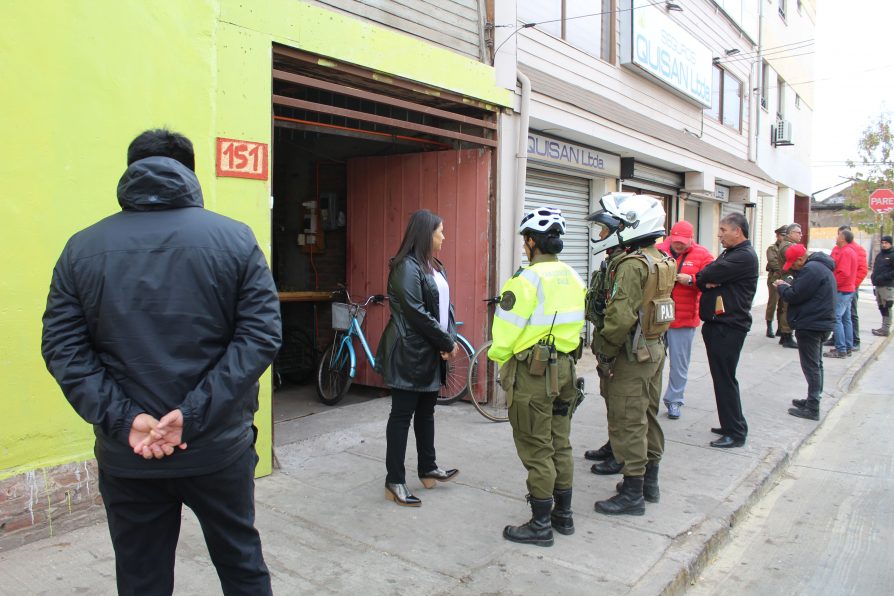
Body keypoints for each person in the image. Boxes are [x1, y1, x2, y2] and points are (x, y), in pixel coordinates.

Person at [41, 129, 282, 595]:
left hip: (129, 453)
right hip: (217, 448)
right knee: (241, 565)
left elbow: (62, 348)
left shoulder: (82, 248)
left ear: (130, 170)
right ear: (189, 173)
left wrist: (128, 420)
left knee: (141, 578)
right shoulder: (234, 239)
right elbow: (261, 335)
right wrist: (189, 419)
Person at [489, 206, 585, 546]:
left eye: (525, 240)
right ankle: (564, 516)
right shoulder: (574, 277)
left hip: (533, 374)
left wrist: (500, 362)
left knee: (536, 446)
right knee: (560, 442)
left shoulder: (525, 280)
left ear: (531, 242)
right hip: (566, 372)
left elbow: (505, 334)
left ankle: (540, 525)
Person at [588, 193, 675, 516]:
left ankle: (633, 493)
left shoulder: (630, 266)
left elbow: (619, 319)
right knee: (647, 415)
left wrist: (604, 353)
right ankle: (648, 483)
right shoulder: (659, 259)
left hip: (630, 354)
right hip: (653, 350)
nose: (603, 233)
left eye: (611, 226)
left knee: (629, 420)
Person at [376, 209, 461, 507]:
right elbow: (416, 313)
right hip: (409, 353)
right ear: (427, 234)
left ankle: (428, 467)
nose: (444, 236)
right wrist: (446, 340)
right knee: (401, 417)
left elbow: (445, 308)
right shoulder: (405, 268)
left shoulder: (434, 266)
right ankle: (394, 480)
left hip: (431, 352)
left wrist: (447, 342)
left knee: (426, 413)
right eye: (441, 231)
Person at [696, 212, 759, 449]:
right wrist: (707, 279)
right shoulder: (731, 253)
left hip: (729, 327)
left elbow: (706, 274)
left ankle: (736, 431)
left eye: (723, 230)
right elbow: (706, 276)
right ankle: (729, 423)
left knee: (725, 379)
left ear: (738, 231)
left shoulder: (743, 256)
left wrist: (708, 278)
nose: (719, 234)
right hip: (718, 325)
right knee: (721, 378)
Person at [656, 220, 714, 420]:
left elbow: (712, 281)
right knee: (652, 360)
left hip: (684, 318)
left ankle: (674, 400)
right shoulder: (657, 250)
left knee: (679, 364)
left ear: (691, 239)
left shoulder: (703, 255)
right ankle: (651, 400)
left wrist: (691, 280)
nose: (678, 245)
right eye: (675, 240)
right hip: (657, 317)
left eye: (683, 242)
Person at [774, 244, 837, 421]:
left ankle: (813, 407)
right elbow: (804, 291)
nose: (793, 267)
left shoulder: (812, 269)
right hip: (819, 323)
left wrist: (781, 287)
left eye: (794, 264)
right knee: (816, 364)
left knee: (811, 366)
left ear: (801, 259)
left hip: (812, 325)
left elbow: (794, 295)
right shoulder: (819, 267)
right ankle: (812, 399)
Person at [825, 228, 858, 358]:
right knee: (846, 318)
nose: (836, 237)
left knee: (836, 318)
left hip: (843, 290)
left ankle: (841, 349)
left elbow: (843, 273)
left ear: (843, 239)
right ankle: (847, 347)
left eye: (838, 235)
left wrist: (833, 285)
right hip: (848, 289)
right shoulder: (850, 251)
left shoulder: (845, 252)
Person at [775, 224, 802, 349]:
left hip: (787, 277)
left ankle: (784, 334)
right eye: (798, 232)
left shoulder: (787, 245)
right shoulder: (788, 246)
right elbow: (795, 261)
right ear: (790, 233)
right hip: (788, 277)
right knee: (787, 307)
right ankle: (786, 335)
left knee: (784, 306)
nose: (801, 235)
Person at [765, 225, 788, 338]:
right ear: (778, 236)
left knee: (783, 305)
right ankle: (769, 326)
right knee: (772, 303)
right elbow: (773, 262)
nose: (784, 238)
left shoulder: (787, 247)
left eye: (785, 235)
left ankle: (780, 328)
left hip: (784, 279)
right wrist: (785, 269)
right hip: (774, 278)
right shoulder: (772, 249)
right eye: (782, 235)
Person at [871, 235, 894, 336]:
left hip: (887, 285)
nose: (884, 245)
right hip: (878, 285)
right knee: (881, 307)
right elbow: (875, 268)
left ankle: (886, 328)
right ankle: (883, 327)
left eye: (886, 243)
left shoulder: (892, 255)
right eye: (883, 243)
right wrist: (873, 277)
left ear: (890, 244)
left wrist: (884, 277)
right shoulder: (880, 255)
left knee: (887, 306)